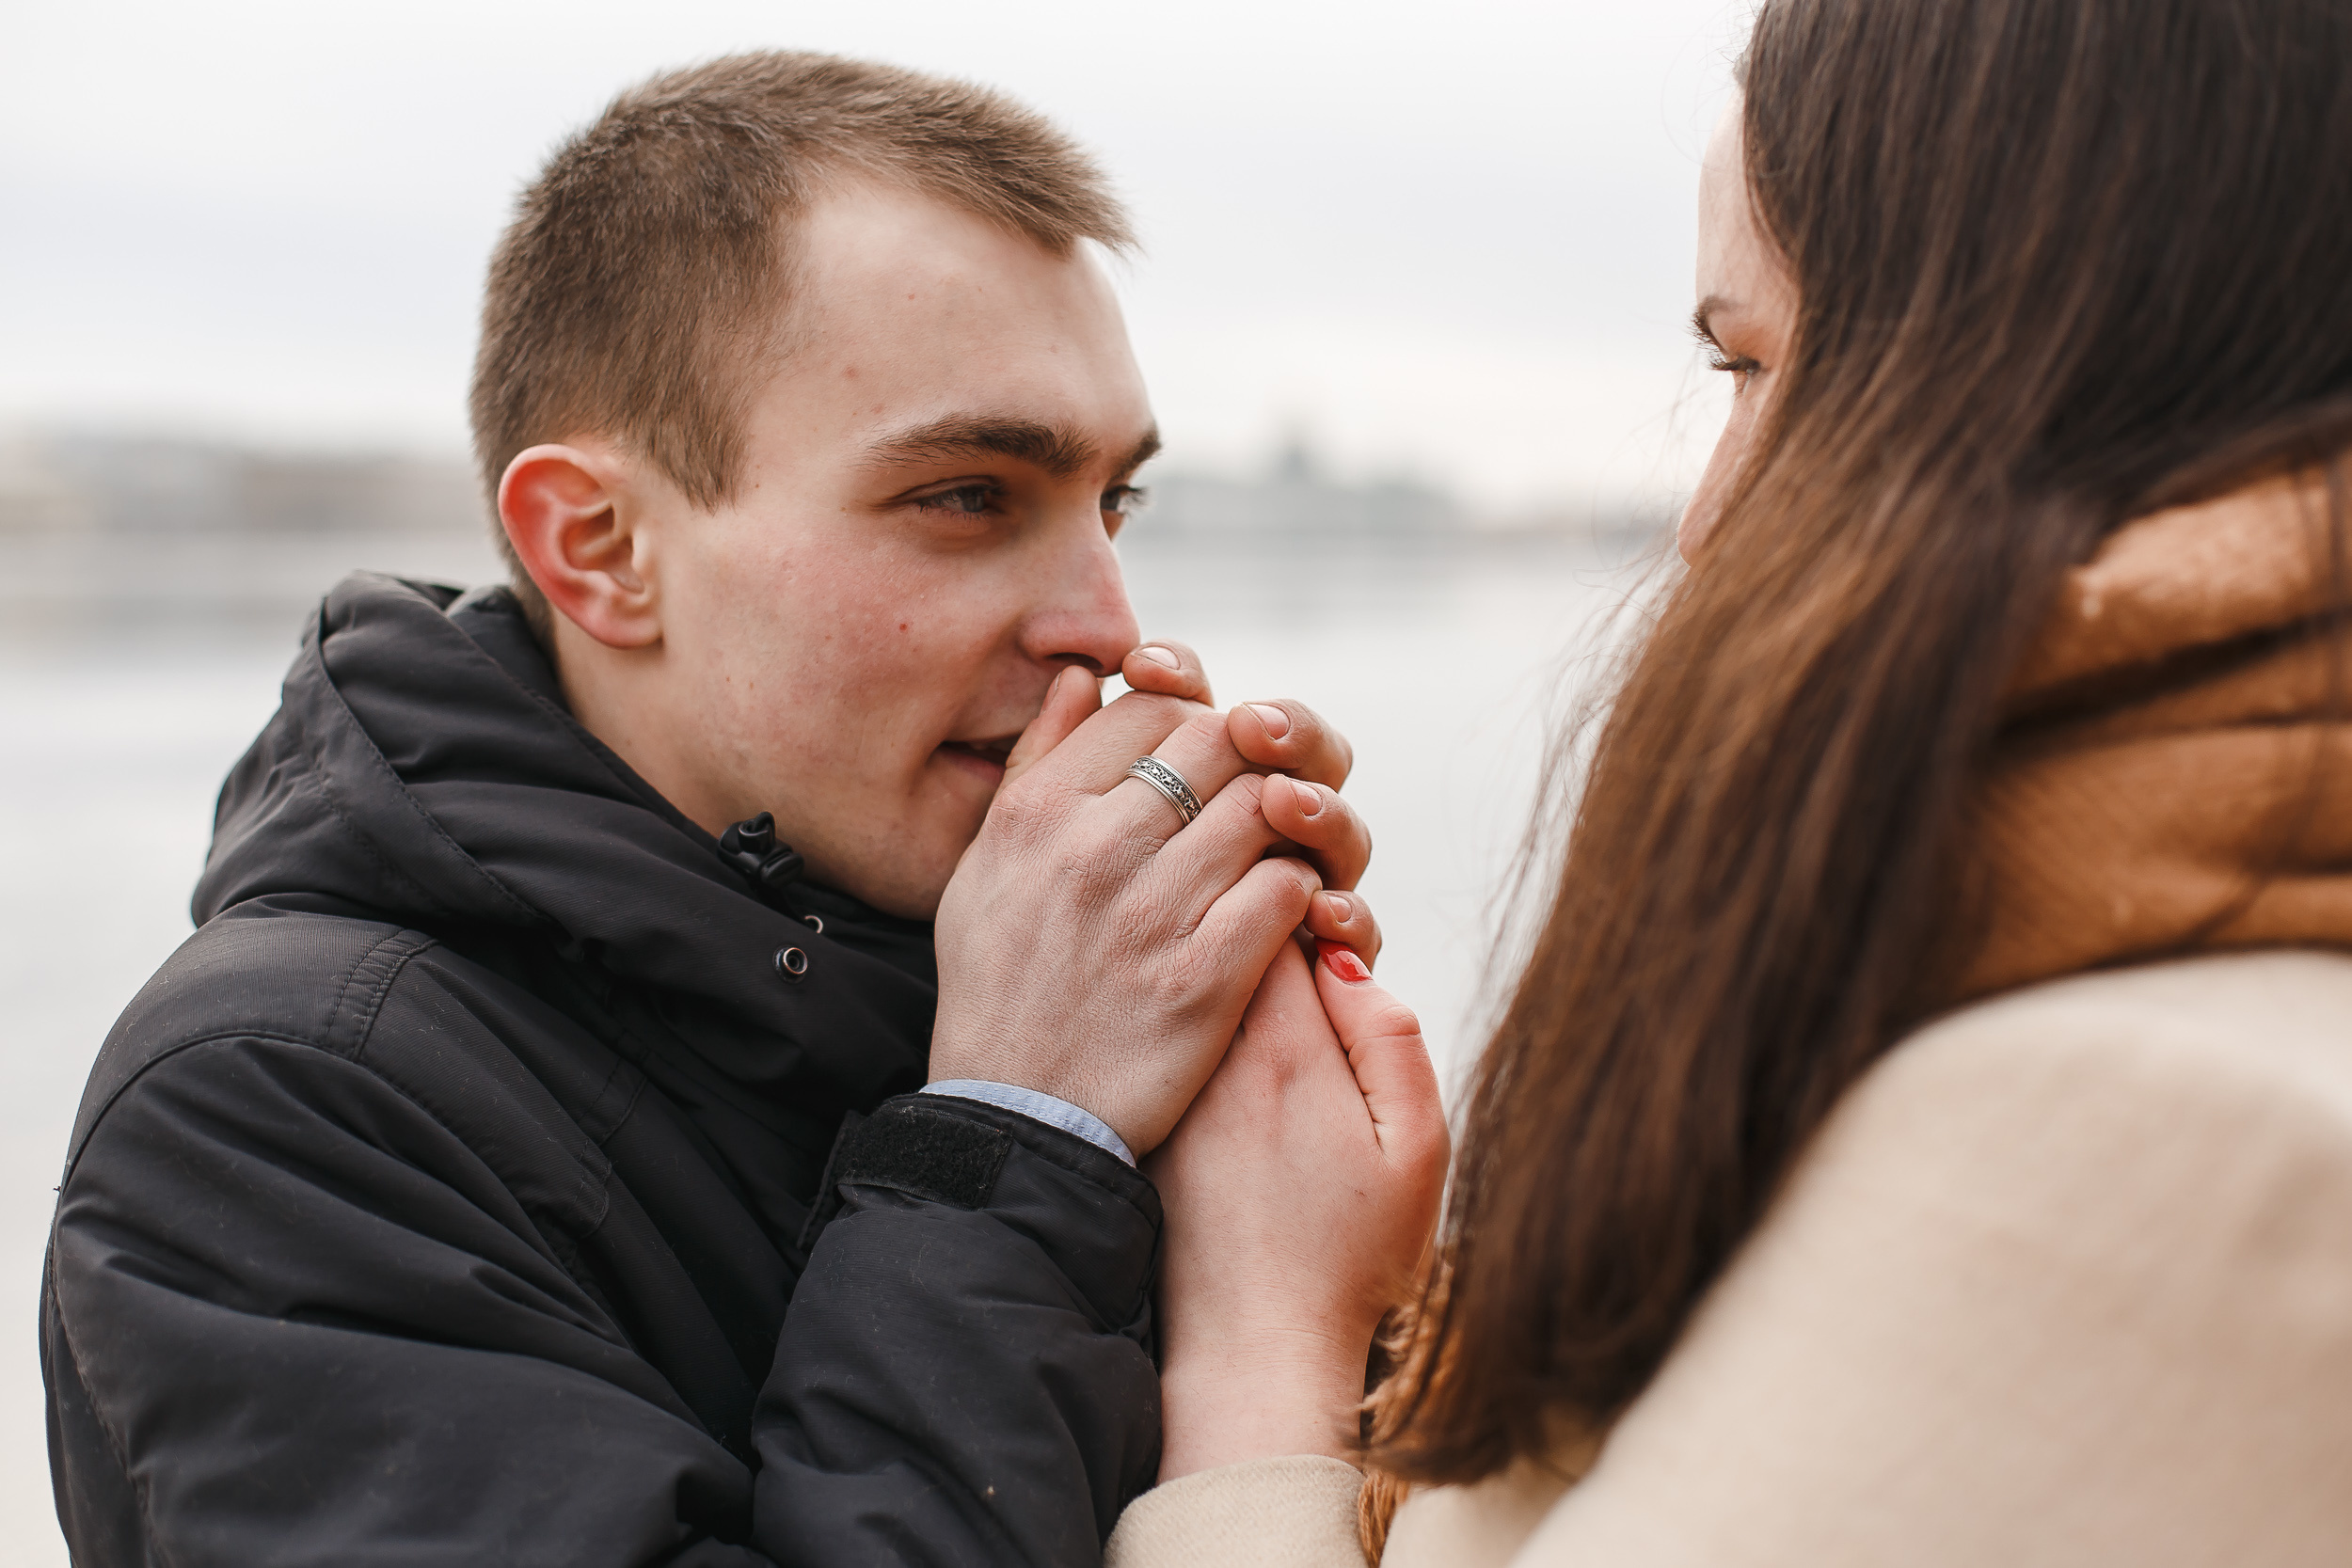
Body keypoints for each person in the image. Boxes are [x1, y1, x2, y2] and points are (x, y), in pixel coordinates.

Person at [41, 53, 1389, 1567]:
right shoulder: (276, 1113)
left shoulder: (1026, 975)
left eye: (1112, 504)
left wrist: (1304, 1231)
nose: (1107, 622)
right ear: (602, 547)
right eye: (967, 496)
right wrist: (1016, 1140)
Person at [1106, 0, 2352, 1562]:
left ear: (2052, 365)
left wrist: (1266, 1335)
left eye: (1752, 362)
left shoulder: (2148, 1142)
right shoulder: (2046, 1000)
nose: (1704, 523)